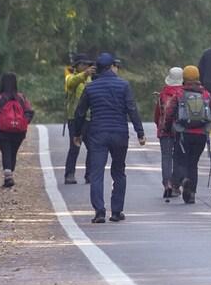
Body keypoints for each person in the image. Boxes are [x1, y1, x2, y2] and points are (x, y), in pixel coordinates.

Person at [73, 53, 146, 223]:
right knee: (119, 171)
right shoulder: (124, 85)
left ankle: (99, 211)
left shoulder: (90, 88)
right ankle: (116, 211)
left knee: (96, 172)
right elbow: (132, 109)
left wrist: (77, 133)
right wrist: (140, 132)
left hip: (98, 133)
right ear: (112, 66)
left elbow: (80, 113)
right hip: (120, 133)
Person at [170, 66, 211, 204]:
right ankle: (192, 194)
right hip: (201, 134)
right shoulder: (205, 94)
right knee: (193, 163)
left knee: (182, 160)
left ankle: (184, 180)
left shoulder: (179, 94)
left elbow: (170, 111)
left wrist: (169, 127)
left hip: (183, 133)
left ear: (184, 78)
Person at [0, 71, 32, 188]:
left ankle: (8, 176)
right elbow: (29, 111)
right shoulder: (21, 97)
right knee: (13, 152)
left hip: (2, 131)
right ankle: (10, 172)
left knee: (6, 151)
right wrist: (23, 122)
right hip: (19, 131)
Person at [154, 66, 185, 201]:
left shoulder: (163, 93)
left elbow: (157, 114)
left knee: (166, 157)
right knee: (178, 157)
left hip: (165, 130)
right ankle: (175, 184)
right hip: (181, 130)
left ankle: (167, 184)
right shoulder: (184, 93)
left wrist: (160, 126)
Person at [63, 54, 92, 184]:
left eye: (87, 64)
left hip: (89, 118)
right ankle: (69, 174)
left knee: (92, 147)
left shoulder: (90, 79)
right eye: (83, 64)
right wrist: (84, 74)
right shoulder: (71, 77)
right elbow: (71, 83)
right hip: (74, 118)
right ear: (77, 65)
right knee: (75, 147)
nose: (85, 66)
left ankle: (90, 175)